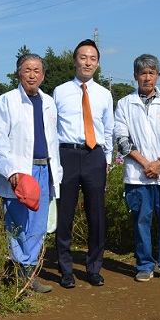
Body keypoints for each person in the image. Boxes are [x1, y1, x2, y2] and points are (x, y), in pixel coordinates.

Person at [0, 53, 63, 293]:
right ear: (18, 73)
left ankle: (30, 273)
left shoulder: (49, 102)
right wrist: (11, 171)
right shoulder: (6, 101)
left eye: (37, 71)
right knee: (17, 223)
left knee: (38, 225)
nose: (32, 75)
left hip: (44, 168)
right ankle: (20, 274)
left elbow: (53, 140)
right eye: (27, 70)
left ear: (43, 75)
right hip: (21, 171)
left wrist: (56, 172)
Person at [114, 54, 160, 282]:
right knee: (141, 221)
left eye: (151, 73)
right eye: (143, 73)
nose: (147, 77)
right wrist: (146, 164)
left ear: (158, 76)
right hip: (138, 176)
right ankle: (144, 264)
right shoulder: (125, 103)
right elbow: (122, 140)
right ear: (135, 76)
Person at [53, 39, 114, 288]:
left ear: (97, 64)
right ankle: (66, 269)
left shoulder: (104, 94)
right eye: (83, 57)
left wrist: (107, 159)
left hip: (94, 156)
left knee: (96, 215)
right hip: (66, 154)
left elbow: (108, 129)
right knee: (64, 215)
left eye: (92, 58)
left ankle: (94, 267)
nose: (87, 62)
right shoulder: (60, 91)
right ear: (74, 60)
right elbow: (52, 127)